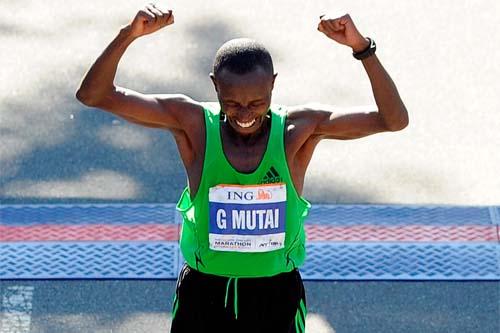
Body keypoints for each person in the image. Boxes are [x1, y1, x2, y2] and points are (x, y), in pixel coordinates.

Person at [76, 3, 408, 333]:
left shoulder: (298, 130)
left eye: (257, 103)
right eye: (232, 103)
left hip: (275, 297)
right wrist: (128, 35)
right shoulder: (193, 125)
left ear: (273, 85)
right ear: (215, 86)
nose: (244, 113)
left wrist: (362, 49)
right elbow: (94, 95)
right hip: (204, 294)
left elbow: (393, 120)